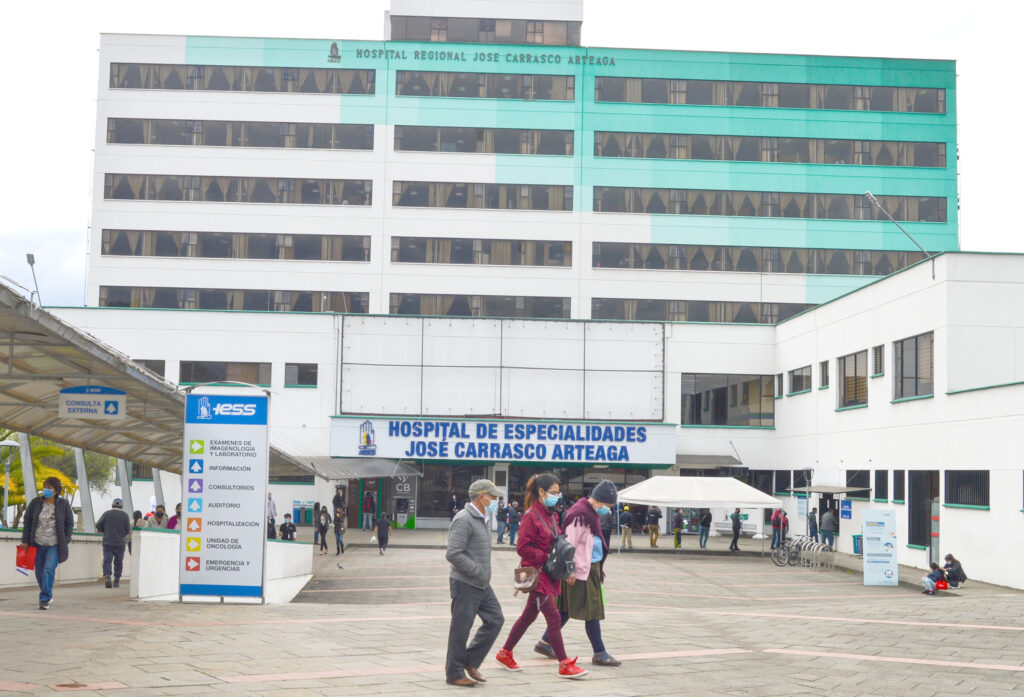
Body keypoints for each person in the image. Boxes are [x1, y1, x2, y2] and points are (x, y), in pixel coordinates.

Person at [495, 473, 587, 679]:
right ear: (541, 492)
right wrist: (544, 556)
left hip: (550, 572)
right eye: (553, 493)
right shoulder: (530, 516)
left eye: (558, 493)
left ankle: (505, 652)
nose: (557, 496)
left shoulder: (552, 515)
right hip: (537, 575)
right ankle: (564, 663)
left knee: (528, 616)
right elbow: (522, 547)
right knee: (554, 618)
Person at [535, 479, 621, 667]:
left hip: (589, 568)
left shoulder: (590, 513)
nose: (608, 510)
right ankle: (600, 652)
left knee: (566, 609)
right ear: (599, 500)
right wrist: (570, 569)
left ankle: (545, 642)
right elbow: (569, 543)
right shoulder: (580, 515)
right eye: (608, 506)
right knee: (593, 611)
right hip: (579, 570)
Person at [445, 479, 504, 687]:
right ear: (482, 497)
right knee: (461, 629)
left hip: (482, 584)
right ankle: (454, 673)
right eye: (494, 497)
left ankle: (470, 660)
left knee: (496, 619)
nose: (497, 501)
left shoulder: (483, 518)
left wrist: (481, 575)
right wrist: (476, 570)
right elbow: (453, 553)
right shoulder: (464, 519)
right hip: (465, 583)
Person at [20, 476, 73, 610]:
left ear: (56, 491)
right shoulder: (36, 503)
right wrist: (25, 540)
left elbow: (69, 523)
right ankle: (47, 592)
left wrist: (66, 538)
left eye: (49, 488)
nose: (46, 490)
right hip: (37, 543)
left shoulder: (63, 505)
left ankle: (44, 599)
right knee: (39, 572)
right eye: (45, 487)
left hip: (54, 544)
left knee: (48, 569)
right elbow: (27, 521)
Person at [95, 498, 131, 588]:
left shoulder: (106, 514)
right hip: (120, 543)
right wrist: (121, 534)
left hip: (108, 542)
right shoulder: (125, 516)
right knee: (118, 562)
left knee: (107, 560)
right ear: (121, 506)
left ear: (112, 505)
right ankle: (116, 581)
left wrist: (105, 530)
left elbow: (98, 525)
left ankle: (107, 577)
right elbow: (127, 530)